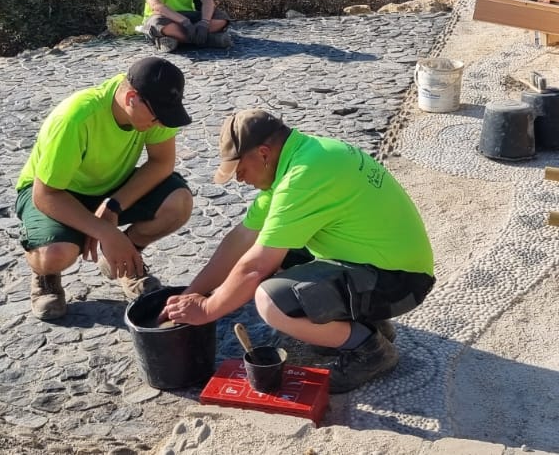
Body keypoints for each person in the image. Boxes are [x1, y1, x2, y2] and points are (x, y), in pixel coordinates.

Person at [161, 110, 435, 393]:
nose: (239, 179)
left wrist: (207, 309)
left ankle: (371, 351)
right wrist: (190, 294)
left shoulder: (302, 177)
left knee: (270, 300)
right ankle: (369, 324)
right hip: (386, 266)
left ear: (263, 153)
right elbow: (241, 240)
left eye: (239, 169)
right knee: (281, 250)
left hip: (402, 282)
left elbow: (255, 267)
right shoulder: (303, 156)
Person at [13, 56, 195, 320]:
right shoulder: (76, 117)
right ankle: (45, 276)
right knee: (55, 255)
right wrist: (105, 232)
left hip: (111, 185)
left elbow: (162, 163)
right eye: (157, 116)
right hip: (57, 192)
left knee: (179, 203)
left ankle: (125, 258)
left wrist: (114, 205)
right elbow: (46, 194)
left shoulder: (150, 111)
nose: (160, 124)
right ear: (131, 98)